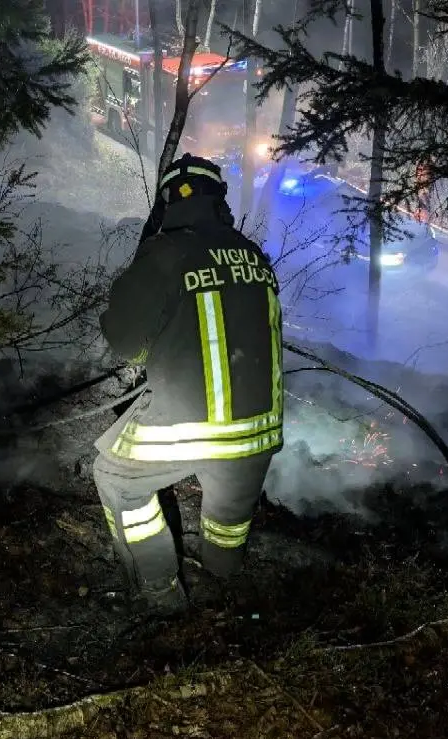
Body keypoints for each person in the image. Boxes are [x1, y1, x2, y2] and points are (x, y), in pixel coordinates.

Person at [93, 153, 284, 616]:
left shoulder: (163, 254)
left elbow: (124, 342)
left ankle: (160, 594)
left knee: (115, 479)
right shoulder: (253, 255)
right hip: (260, 432)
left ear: (166, 205)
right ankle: (224, 581)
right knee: (227, 525)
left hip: (188, 428)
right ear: (219, 200)